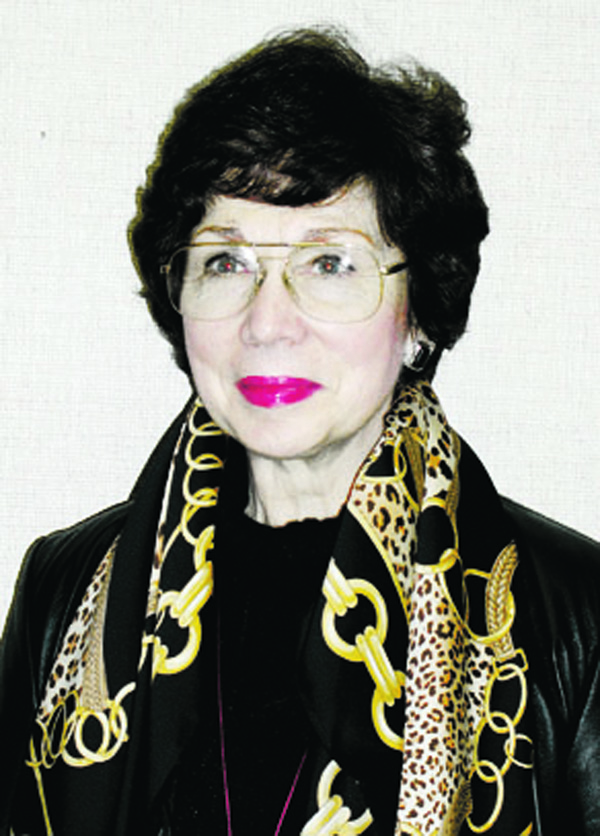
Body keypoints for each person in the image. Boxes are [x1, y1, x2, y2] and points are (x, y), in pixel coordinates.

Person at [1, 27, 599, 836]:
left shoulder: (575, 617)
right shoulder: (62, 589)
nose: (268, 323)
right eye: (226, 263)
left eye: (329, 263)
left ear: (419, 310)